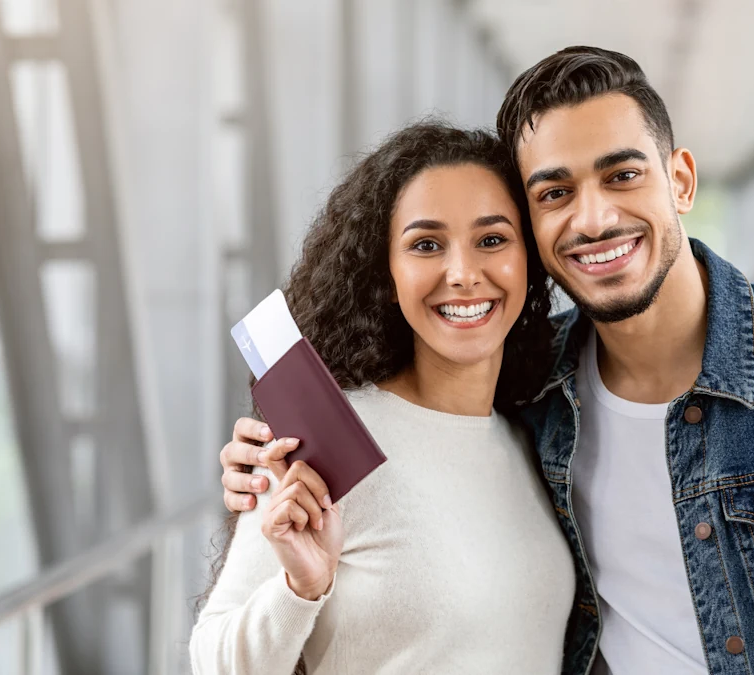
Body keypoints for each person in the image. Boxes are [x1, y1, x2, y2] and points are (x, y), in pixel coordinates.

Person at [221, 48, 754, 674]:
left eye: (622, 175)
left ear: (681, 181)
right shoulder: (531, 395)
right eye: (554, 192)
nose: (592, 218)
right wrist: (269, 466)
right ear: (532, 227)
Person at [190, 123, 575, 675]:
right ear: (387, 274)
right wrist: (301, 587)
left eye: (492, 240)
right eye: (426, 245)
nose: (463, 274)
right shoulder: (328, 440)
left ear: (529, 259)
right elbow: (213, 662)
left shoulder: (535, 435)